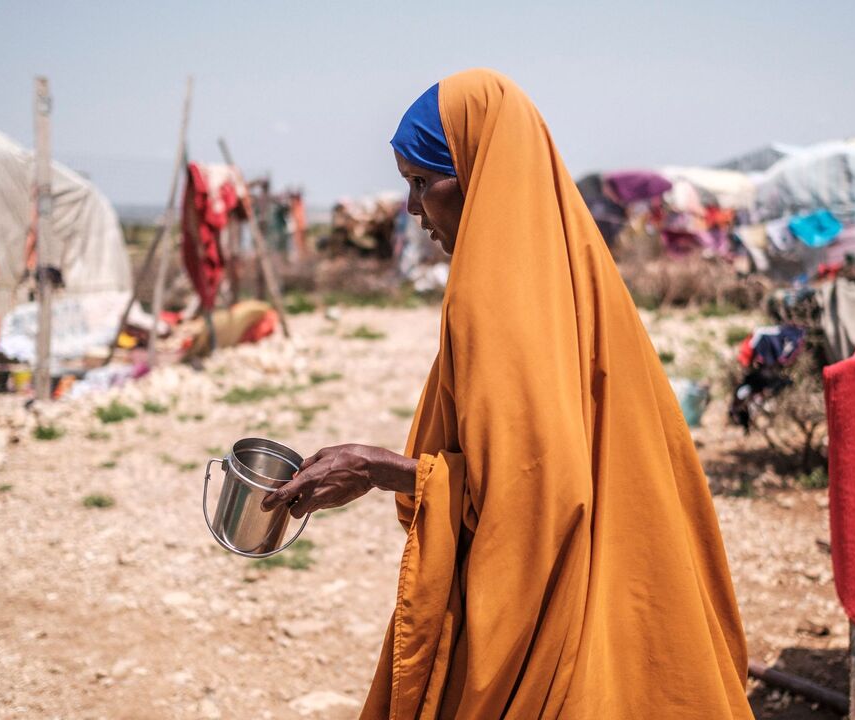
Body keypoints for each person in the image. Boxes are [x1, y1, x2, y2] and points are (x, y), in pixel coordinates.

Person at [262, 68, 752, 719]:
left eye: (420, 183)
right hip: (636, 589)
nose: (411, 209)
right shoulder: (579, 268)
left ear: (477, 172)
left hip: (561, 622)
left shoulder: (489, 299)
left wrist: (383, 470)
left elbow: (537, 495)